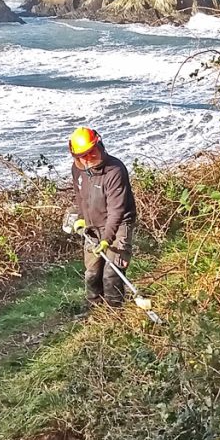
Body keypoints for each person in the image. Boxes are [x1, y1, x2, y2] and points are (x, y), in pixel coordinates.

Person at [65, 127, 137, 308]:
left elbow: (116, 211)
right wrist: (82, 218)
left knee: (111, 273)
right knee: (92, 273)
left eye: (91, 153)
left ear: (99, 145)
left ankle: (115, 312)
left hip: (118, 224)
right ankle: (95, 308)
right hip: (93, 225)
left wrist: (106, 240)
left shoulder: (115, 170)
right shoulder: (77, 169)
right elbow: (80, 196)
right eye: (82, 155)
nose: (87, 159)